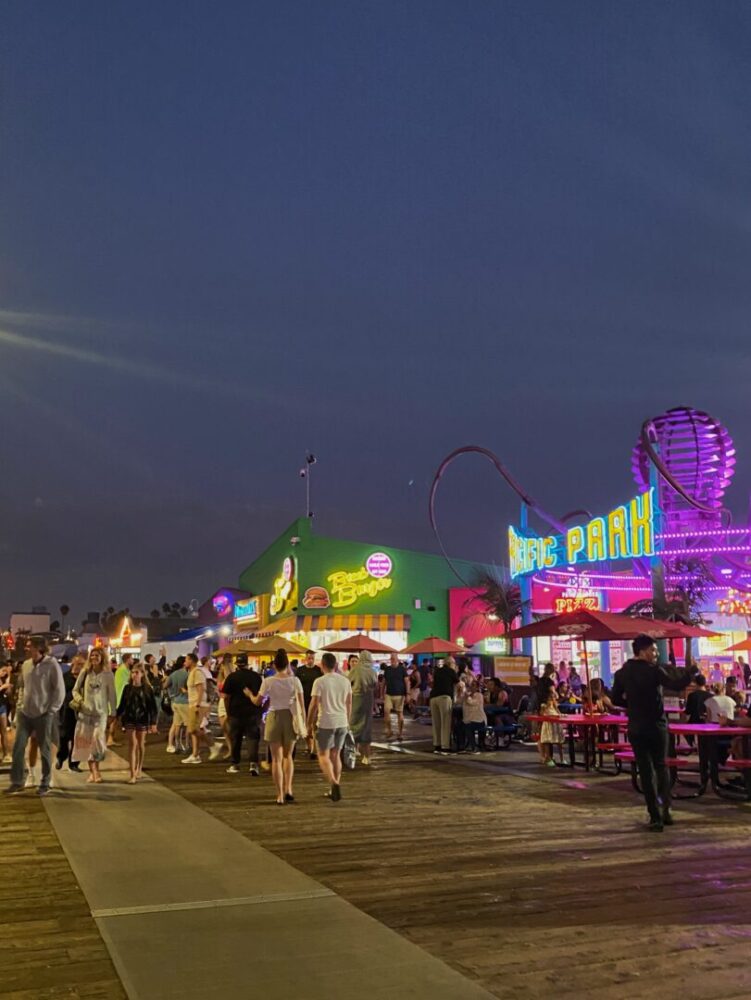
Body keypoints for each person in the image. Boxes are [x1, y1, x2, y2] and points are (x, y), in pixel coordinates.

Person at [611, 635, 698, 831]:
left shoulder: (622, 673)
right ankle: (666, 810)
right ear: (642, 651)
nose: (656, 653)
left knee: (645, 770)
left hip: (636, 727)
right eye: (653, 650)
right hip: (657, 725)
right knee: (661, 767)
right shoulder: (654, 671)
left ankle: (654, 816)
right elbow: (675, 685)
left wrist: (632, 706)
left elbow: (616, 699)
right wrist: (690, 672)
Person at [6, 637, 65, 796]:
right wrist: (19, 706)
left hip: (43, 714)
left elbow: (59, 690)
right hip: (25, 713)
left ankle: (45, 783)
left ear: (39, 648)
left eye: (29, 646)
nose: (26, 648)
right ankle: (18, 781)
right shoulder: (26, 665)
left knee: (45, 749)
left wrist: (51, 710)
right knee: (18, 747)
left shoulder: (52, 665)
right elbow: (22, 687)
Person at [249, 650, 305, 804]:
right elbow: (301, 704)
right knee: (288, 757)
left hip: (273, 717)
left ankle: (279, 795)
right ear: (287, 664)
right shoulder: (295, 681)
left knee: (276, 759)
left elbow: (258, 702)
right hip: (291, 717)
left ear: (274, 665)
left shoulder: (268, 681)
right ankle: (289, 789)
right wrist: (304, 723)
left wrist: (249, 695)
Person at [307, 652, 352, 801]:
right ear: (336, 665)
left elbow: (314, 704)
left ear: (323, 665)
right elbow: (349, 703)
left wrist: (308, 723)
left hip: (326, 722)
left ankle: (334, 783)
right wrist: (348, 720)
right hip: (342, 721)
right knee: (336, 755)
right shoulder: (345, 681)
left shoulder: (319, 682)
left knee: (323, 755)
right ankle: (335, 785)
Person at [71, 648, 118, 783]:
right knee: (86, 743)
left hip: (101, 714)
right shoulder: (85, 673)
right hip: (85, 713)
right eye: (92, 656)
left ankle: (96, 770)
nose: (94, 658)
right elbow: (75, 690)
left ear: (102, 657)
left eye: (97, 655)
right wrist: (80, 700)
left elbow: (112, 695)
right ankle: (94, 772)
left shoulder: (108, 675)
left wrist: (113, 712)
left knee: (97, 741)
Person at [117, 661, 158, 783]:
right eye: (133, 672)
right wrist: (116, 715)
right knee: (132, 744)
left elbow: (152, 707)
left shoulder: (147, 689)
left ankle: (139, 767)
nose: (134, 675)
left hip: (143, 718)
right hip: (129, 718)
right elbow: (122, 705)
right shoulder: (127, 688)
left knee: (141, 744)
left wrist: (153, 723)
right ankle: (132, 773)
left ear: (142, 674)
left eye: (137, 673)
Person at [222, 654, 261, 775]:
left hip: (235, 712)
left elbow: (226, 697)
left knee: (235, 739)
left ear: (237, 664)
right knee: (253, 738)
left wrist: (228, 713)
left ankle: (235, 764)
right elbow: (261, 694)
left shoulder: (232, 677)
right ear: (247, 663)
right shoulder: (256, 677)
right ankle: (253, 764)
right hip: (252, 712)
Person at [182, 653, 221, 764]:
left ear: (192, 661)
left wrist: (198, 705)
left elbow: (200, 689)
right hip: (193, 704)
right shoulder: (192, 672)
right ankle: (195, 755)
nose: (185, 662)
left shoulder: (197, 672)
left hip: (198, 704)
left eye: (186, 660)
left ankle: (213, 745)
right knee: (194, 730)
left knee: (192, 729)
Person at [56, 654, 85, 771]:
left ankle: (74, 764)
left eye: (81, 664)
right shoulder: (65, 677)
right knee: (63, 737)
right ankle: (61, 757)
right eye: (77, 664)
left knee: (77, 738)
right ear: (72, 664)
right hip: (66, 711)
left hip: (80, 711)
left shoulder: (84, 678)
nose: (78, 666)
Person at [348, 651, 376, 765]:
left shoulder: (356, 669)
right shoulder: (373, 671)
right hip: (369, 699)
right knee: (366, 726)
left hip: (356, 698)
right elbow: (375, 684)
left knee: (353, 724)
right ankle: (367, 757)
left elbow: (348, 682)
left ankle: (351, 753)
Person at [295, 650, 323, 759]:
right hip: (304, 700)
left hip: (315, 700)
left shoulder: (318, 670)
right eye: (309, 658)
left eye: (312, 658)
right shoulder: (300, 670)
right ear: (305, 658)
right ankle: (309, 745)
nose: (311, 660)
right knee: (306, 724)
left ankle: (314, 749)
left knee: (314, 724)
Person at [429, 655, 459, 755]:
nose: (455, 665)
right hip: (444, 697)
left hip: (433, 697)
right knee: (445, 722)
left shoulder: (437, 671)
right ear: (450, 663)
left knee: (436, 722)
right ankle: (445, 746)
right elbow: (458, 683)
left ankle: (437, 745)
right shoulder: (451, 671)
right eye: (454, 663)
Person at [165, 656, 189, 753]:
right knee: (187, 725)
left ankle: (175, 744)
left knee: (176, 725)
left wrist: (171, 691)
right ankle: (187, 745)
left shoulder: (173, 674)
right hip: (184, 701)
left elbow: (165, 685)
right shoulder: (187, 674)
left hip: (174, 701)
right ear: (184, 663)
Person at [383, 652, 408, 741]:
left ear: (397, 659)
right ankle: (389, 730)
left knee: (399, 713)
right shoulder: (387, 669)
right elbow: (384, 682)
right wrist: (382, 692)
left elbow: (406, 681)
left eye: (394, 658)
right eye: (391, 658)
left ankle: (400, 733)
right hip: (389, 694)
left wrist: (407, 694)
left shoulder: (402, 669)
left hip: (400, 694)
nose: (392, 660)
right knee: (386, 711)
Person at [538, 677, 562, 766]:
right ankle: (544, 757)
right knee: (543, 736)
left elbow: (556, 704)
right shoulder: (543, 699)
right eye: (552, 686)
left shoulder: (551, 696)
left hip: (551, 716)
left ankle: (548, 757)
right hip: (544, 716)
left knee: (547, 736)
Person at [460, 679, 486, 754]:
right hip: (468, 720)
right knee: (458, 726)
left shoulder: (479, 695)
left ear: (477, 687)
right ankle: (461, 745)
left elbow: (471, 702)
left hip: (478, 720)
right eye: (471, 685)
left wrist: (467, 697)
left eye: (473, 685)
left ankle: (474, 747)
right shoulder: (467, 695)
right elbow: (459, 701)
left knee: (468, 727)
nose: (471, 687)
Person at [0, 663, 11, 763]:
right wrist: (2, 687)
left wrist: (8, 679)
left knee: (4, 732)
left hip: (2, 707)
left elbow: (8, 693)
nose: (4, 673)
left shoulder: (4, 680)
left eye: (5, 671)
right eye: (3, 671)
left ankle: (6, 753)